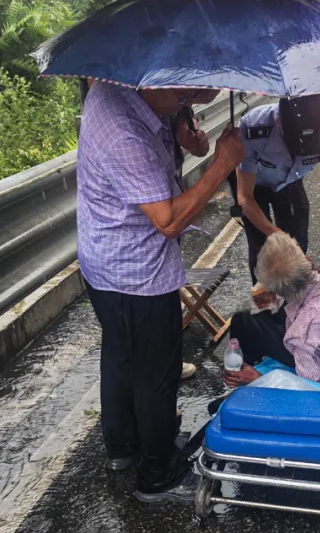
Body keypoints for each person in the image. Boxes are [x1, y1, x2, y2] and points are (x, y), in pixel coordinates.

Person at [78, 79, 245, 504]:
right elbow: (169, 221)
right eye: (184, 93)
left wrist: (179, 121)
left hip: (105, 262)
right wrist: (222, 165)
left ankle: (122, 447)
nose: (191, 99)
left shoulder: (118, 88)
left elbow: (186, 99)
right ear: (154, 79)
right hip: (137, 274)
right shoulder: (123, 133)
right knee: (157, 374)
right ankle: (158, 474)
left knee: (119, 353)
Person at [223, 233, 320, 387]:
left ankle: (240, 377)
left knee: (242, 321)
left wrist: (260, 379)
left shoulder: (302, 335)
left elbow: (313, 387)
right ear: (308, 261)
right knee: (257, 313)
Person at [236, 93, 320, 282]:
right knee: (263, 249)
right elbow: (245, 197)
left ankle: (294, 305)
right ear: (279, 122)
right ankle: (265, 304)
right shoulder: (253, 128)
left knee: (299, 242)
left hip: (291, 180)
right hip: (254, 186)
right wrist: (279, 237)